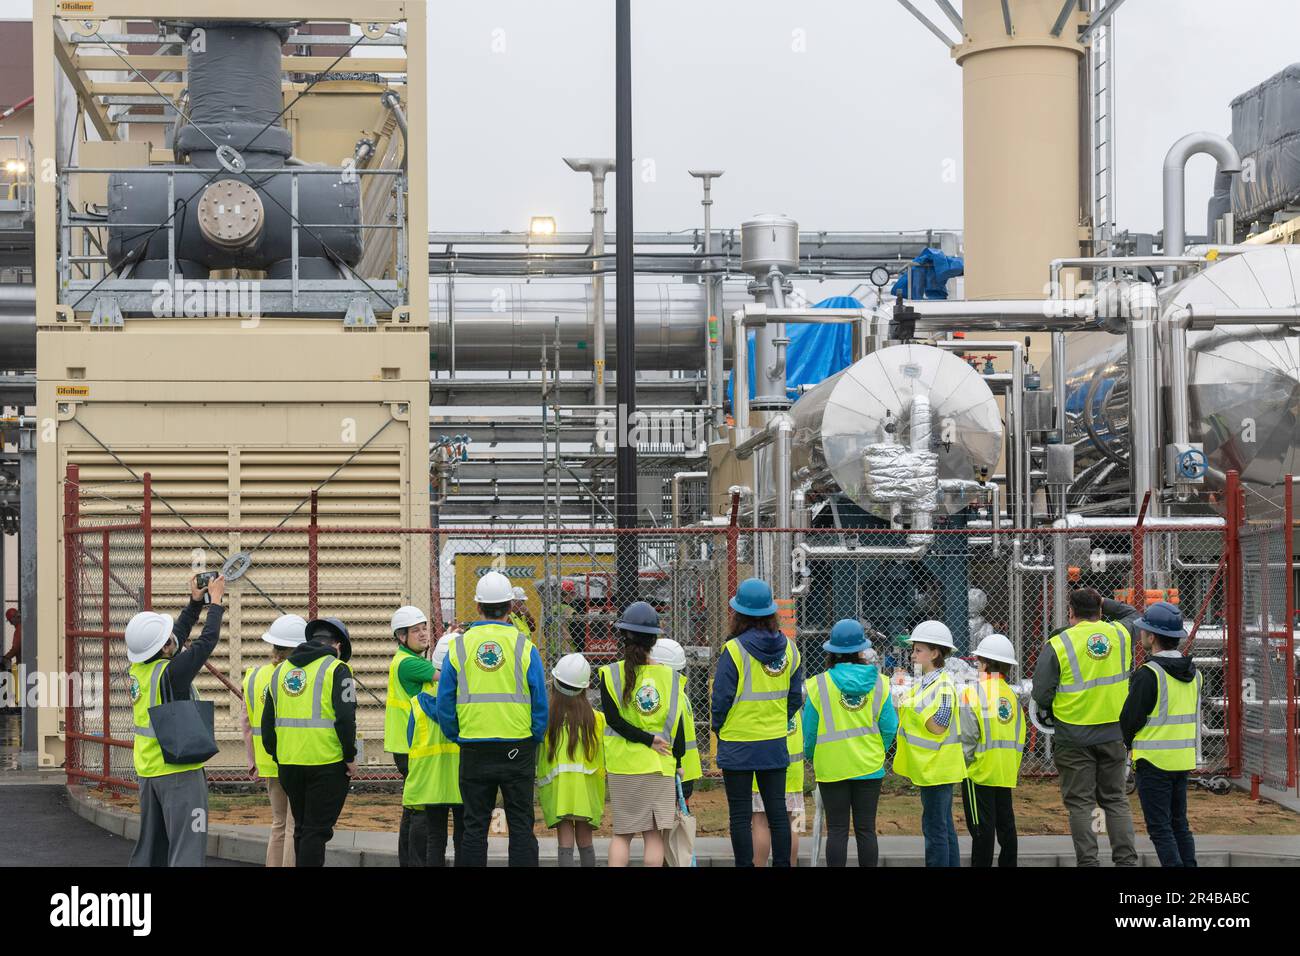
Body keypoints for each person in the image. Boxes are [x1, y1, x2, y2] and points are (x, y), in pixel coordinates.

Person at [436, 570, 547, 867]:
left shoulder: (458, 645)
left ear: (478, 607)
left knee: (474, 826)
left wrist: (456, 734)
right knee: (522, 825)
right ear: (511, 606)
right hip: (518, 746)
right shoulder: (525, 646)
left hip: (474, 745)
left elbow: (444, 700)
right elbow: (540, 700)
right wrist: (534, 735)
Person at [124, 574, 226, 867]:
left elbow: (176, 636)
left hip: (149, 769)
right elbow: (206, 642)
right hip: (178, 770)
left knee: (152, 849)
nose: (174, 640)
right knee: (187, 848)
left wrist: (195, 604)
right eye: (169, 640)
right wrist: (215, 603)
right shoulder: (172, 673)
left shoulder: (140, 669)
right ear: (165, 648)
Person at [1032, 587, 1138, 867]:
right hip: (1114, 732)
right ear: (1100, 611)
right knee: (1115, 799)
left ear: (1070, 613)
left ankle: (1089, 862)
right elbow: (1132, 613)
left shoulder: (1058, 643)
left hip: (1073, 734)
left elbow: (1041, 693)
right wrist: (1104, 601)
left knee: (1081, 803)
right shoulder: (1120, 634)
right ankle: (1126, 862)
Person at [711, 577, 802, 868]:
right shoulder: (790, 650)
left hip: (737, 742)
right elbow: (795, 697)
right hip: (774, 741)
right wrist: (777, 718)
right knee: (777, 811)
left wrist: (719, 726)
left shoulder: (734, 650)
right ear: (770, 612)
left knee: (740, 814)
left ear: (739, 614)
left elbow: (721, 698)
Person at [261, 616, 356, 868]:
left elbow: (267, 726)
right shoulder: (337, 669)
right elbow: (346, 719)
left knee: (301, 829)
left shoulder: (279, 672)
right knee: (316, 831)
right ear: (337, 646)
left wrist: (278, 756)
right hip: (326, 764)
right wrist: (350, 756)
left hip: (289, 765)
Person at [803, 620, 897, 867]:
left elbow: (809, 732)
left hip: (832, 768)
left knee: (837, 830)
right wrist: (878, 750)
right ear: (861, 650)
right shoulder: (880, 683)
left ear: (831, 650)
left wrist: (813, 755)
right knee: (866, 829)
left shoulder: (818, 684)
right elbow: (889, 726)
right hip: (869, 766)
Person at [601, 603, 685, 866]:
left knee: (621, 835)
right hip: (658, 765)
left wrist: (644, 738)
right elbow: (677, 728)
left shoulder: (610, 674)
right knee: (653, 836)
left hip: (623, 765)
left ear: (623, 636)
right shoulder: (671, 678)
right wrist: (678, 762)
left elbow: (614, 721)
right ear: (655, 639)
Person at [1120, 602, 1202, 868]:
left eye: (1144, 630)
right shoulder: (1194, 674)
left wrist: (1129, 743)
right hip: (1182, 761)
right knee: (1180, 825)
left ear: (1152, 636)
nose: (1141, 634)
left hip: (1153, 762)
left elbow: (1130, 719)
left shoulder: (1149, 674)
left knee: (1160, 828)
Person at [893, 620, 965, 867]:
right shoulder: (927, 683)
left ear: (934, 653)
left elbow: (939, 725)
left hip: (938, 769)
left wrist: (914, 708)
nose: (912, 654)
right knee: (943, 828)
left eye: (918, 650)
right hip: (931, 768)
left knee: (935, 830)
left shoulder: (943, 686)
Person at [240, 612, 305, 867]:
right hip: (293, 757)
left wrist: (251, 759)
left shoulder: (253, 677)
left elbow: (246, 723)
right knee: (293, 824)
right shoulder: (297, 677)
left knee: (278, 823)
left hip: (266, 760)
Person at [959, 633, 1025, 868]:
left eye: (978, 661)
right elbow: (1020, 736)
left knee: (981, 830)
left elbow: (967, 737)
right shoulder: (1012, 696)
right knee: (1006, 826)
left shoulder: (972, 693)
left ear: (985, 663)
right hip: (1004, 772)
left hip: (978, 773)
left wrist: (963, 766)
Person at [537, 653, 605, 867]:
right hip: (586, 792)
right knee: (586, 840)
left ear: (555, 684)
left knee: (564, 841)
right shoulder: (597, 719)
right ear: (584, 688)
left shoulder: (547, 719)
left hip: (559, 792)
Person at [404, 633, 463, 867]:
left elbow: (411, 741)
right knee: (464, 837)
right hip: (462, 783)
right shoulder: (468, 704)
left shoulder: (418, 704)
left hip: (431, 785)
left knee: (435, 838)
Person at [386, 604, 433, 866]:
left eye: (425, 627)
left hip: (406, 744)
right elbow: (447, 676)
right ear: (401, 636)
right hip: (411, 746)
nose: (424, 633)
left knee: (411, 805)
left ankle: (408, 860)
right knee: (420, 809)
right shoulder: (410, 664)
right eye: (416, 630)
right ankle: (416, 861)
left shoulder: (407, 660)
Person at [649, 638, 702, 806]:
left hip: (674, 767)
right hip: (686, 768)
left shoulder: (667, 697)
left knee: (668, 820)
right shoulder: (680, 694)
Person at [752, 706, 804, 867]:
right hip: (794, 773)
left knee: (761, 821)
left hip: (764, 769)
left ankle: (759, 864)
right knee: (793, 822)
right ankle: (791, 863)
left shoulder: (764, 698)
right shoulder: (795, 702)